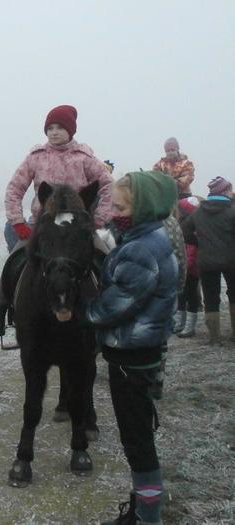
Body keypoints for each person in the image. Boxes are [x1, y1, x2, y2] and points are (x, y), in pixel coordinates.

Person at [86, 171, 178, 525]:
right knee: (137, 437)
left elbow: (114, 306)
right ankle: (143, 509)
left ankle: (147, 516)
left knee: (137, 441)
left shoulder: (140, 249)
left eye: (122, 207)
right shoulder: (148, 236)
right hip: (139, 352)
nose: (114, 213)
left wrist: (82, 312)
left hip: (132, 357)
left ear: (144, 207)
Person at [0, 104, 114, 337]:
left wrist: (97, 220)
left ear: (71, 130)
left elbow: (108, 186)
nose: (54, 132)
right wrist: (18, 222)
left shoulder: (85, 158)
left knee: (105, 258)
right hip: (43, 224)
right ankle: (0, 308)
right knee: (15, 258)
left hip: (77, 226)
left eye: (60, 128)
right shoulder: (35, 157)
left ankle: (111, 309)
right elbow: (14, 189)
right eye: (50, 128)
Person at [182, 176, 235, 345]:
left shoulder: (198, 211)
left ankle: (215, 338)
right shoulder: (232, 211)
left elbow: (185, 231)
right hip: (231, 259)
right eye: (229, 189)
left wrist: (199, 242)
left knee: (211, 297)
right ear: (224, 191)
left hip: (206, 260)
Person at [173, 195, 202, 337]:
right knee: (182, 294)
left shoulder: (189, 232)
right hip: (186, 267)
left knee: (190, 295)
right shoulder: (188, 228)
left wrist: (184, 267)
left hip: (190, 269)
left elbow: (191, 254)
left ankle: (189, 326)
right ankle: (180, 323)